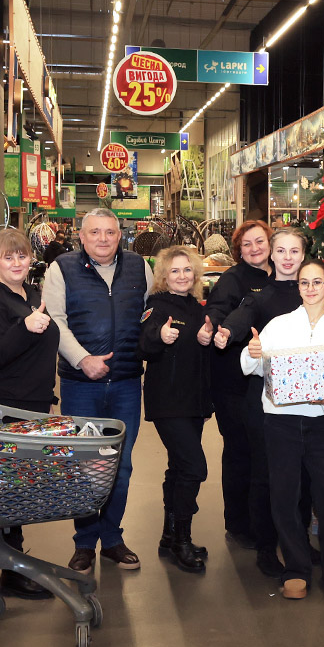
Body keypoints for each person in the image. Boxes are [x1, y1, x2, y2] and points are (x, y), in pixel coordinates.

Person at [242, 259, 324, 607]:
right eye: (304, 282)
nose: (310, 288)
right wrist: (253, 352)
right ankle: (295, 569)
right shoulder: (278, 325)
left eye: (317, 282)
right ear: (298, 287)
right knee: (285, 497)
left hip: (322, 424)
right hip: (281, 423)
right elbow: (252, 367)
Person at [44, 207, 152, 575]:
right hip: (80, 386)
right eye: (95, 232)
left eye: (110, 232)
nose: (103, 239)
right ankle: (85, 543)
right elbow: (55, 321)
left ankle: (113, 538)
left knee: (121, 465)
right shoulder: (61, 268)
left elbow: (149, 315)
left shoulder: (139, 267)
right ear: (82, 235)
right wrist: (82, 359)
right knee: (86, 465)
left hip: (125, 383)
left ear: (120, 236)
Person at [214, 227, 309, 578]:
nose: (287, 257)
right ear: (273, 254)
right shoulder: (262, 296)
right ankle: (266, 548)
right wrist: (227, 332)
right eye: (281, 251)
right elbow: (242, 316)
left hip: (306, 401)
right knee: (264, 474)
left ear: (303, 255)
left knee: (303, 475)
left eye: (294, 251)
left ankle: (298, 542)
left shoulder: (314, 293)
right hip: (265, 400)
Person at [0, 228, 59, 600]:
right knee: (8, 488)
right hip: (6, 410)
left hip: (34, 406)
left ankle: (12, 565)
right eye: (8, 257)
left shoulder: (33, 294)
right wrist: (25, 327)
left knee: (21, 487)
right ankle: (8, 570)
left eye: (22, 255)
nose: (17, 263)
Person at [139, 246, 215, 574]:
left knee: (178, 468)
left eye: (187, 270)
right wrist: (161, 334)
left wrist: (207, 338)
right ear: (164, 276)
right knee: (194, 468)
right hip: (169, 403)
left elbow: (202, 354)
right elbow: (144, 342)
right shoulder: (156, 305)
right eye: (174, 271)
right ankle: (182, 540)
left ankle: (170, 536)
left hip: (194, 402)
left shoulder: (198, 308)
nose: (182, 276)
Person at [204, 220, 271, 551]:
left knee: (265, 453)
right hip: (234, 382)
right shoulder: (232, 279)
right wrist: (218, 330)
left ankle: (264, 520)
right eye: (247, 244)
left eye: (260, 241)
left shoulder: (283, 276)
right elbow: (216, 312)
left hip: (271, 382)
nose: (254, 248)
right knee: (239, 452)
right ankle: (239, 524)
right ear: (238, 250)